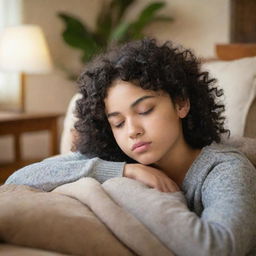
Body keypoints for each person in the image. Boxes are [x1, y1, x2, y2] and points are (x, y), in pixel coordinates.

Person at [5, 38, 256, 255]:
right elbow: (19, 179)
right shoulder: (117, 159)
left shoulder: (225, 169)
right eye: (118, 122)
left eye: (145, 110)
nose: (132, 130)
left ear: (181, 104)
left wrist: (128, 191)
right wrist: (124, 172)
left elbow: (219, 248)